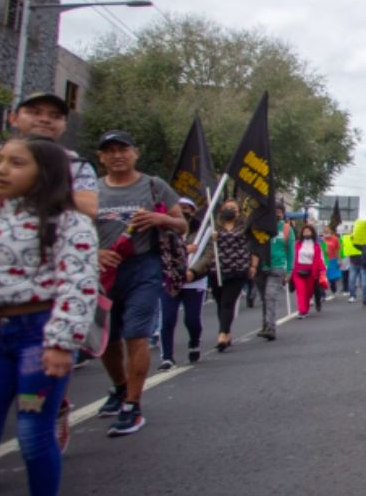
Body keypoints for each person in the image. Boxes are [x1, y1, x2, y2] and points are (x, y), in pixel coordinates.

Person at [0, 137, 97, 496]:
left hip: (38, 339)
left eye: (16, 162)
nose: (3, 169)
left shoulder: (69, 223)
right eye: (1, 160)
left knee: (32, 430)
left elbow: (78, 285)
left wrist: (60, 342)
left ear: (46, 172)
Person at [94, 130, 186, 436]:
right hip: (104, 270)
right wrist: (94, 253)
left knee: (136, 333)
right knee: (106, 339)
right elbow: (74, 231)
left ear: (135, 153)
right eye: (110, 151)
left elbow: (182, 224)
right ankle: (120, 387)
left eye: (123, 149)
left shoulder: (154, 186)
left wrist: (162, 220)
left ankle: (132, 406)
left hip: (143, 267)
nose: (117, 155)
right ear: (101, 157)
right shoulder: (91, 191)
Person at [187, 199, 254, 352]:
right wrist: (212, 238)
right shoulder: (214, 227)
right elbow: (203, 246)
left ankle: (222, 334)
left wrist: (253, 265)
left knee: (227, 302)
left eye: (233, 208)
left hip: (237, 269)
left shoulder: (245, 228)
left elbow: (252, 246)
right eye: (227, 207)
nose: (230, 210)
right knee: (220, 302)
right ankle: (227, 331)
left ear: (238, 212)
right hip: (217, 270)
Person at [158, 198, 206, 370]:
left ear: (192, 211)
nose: (183, 211)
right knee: (167, 318)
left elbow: (207, 256)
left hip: (193, 281)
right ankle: (167, 357)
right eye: (179, 208)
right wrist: (185, 250)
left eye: (186, 208)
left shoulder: (201, 231)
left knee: (192, 319)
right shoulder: (163, 231)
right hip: (170, 280)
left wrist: (193, 272)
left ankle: (194, 341)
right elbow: (161, 252)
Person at [255, 206, 290, 340]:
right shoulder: (260, 227)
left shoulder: (286, 229)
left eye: (279, 213)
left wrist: (289, 270)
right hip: (260, 267)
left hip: (277, 267)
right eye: (273, 212)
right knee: (264, 298)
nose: (276, 215)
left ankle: (270, 328)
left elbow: (290, 251)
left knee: (270, 296)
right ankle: (265, 324)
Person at [291, 224, 326, 318]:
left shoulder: (316, 246)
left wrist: (322, 270)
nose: (306, 233)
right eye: (304, 231)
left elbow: (320, 259)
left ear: (312, 233)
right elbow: (292, 256)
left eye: (308, 231)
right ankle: (302, 311)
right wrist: (290, 269)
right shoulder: (297, 244)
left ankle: (305, 309)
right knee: (301, 291)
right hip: (298, 270)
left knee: (308, 292)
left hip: (311, 271)